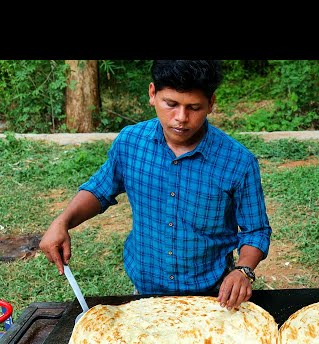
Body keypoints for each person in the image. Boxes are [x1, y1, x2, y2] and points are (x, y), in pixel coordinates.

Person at [39, 60, 272, 310]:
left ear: (211, 104)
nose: (181, 118)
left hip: (213, 293)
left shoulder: (238, 162)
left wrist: (243, 269)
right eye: (170, 104)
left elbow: (256, 230)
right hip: (144, 290)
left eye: (194, 107)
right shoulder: (130, 142)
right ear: (152, 94)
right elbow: (100, 189)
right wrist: (63, 221)